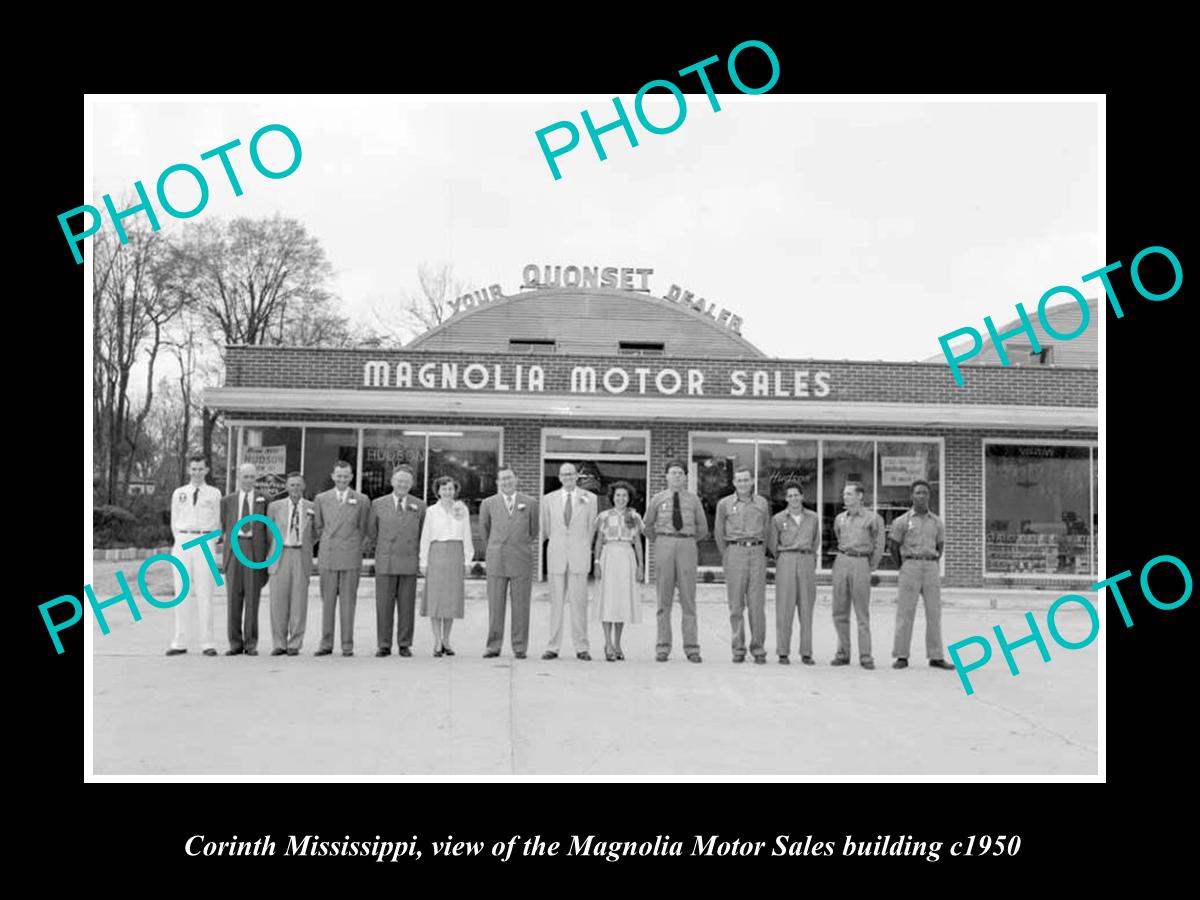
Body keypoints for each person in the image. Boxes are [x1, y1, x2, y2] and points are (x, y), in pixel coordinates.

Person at [643, 459, 708, 663]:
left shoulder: (693, 500)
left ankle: (692, 648)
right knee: (664, 600)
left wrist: (687, 541)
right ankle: (663, 647)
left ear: (685, 476)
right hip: (664, 544)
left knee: (688, 599)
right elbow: (647, 526)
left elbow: (703, 528)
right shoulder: (657, 498)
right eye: (673, 472)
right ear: (666, 476)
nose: (677, 476)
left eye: (680, 473)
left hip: (687, 546)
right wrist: (662, 540)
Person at [890, 480, 955, 670]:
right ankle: (901, 655)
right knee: (905, 612)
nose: (921, 496)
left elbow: (940, 547)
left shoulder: (936, 522)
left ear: (929, 496)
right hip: (910, 565)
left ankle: (936, 656)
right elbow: (893, 546)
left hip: (930, 567)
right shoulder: (901, 521)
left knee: (934, 613)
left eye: (925, 493)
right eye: (918, 492)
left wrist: (931, 562)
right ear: (911, 495)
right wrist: (904, 566)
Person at [479, 466, 538, 659]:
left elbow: (533, 530)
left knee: (521, 606)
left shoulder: (530, 503)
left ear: (516, 479)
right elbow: (484, 531)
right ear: (497, 482)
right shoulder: (488, 503)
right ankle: (493, 646)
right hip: (497, 559)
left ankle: (520, 647)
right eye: (502, 479)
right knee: (495, 606)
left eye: (510, 478)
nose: (506, 482)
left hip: (521, 559)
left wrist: (517, 544)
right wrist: (497, 548)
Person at [540, 462, 598, 661]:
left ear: (577, 476)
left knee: (579, 604)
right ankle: (553, 647)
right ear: (559, 477)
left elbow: (592, 528)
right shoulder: (548, 499)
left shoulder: (590, 498)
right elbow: (546, 529)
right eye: (564, 474)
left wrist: (583, 548)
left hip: (578, 556)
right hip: (557, 555)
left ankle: (582, 647)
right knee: (555, 603)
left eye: (571, 474)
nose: (568, 477)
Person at [312, 460, 370, 657]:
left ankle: (347, 645)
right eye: (339, 475)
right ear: (333, 476)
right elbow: (318, 527)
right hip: (328, 555)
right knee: (327, 602)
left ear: (352, 477)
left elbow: (364, 529)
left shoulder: (362, 500)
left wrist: (351, 545)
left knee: (348, 602)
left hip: (350, 555)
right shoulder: (321, 499)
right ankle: (326, 643)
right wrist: (330, 542)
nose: (342, 479)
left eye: (346, 476)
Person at [166, 455, 222, 657]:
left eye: (201, 469)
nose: (197, 472)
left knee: (205, 592)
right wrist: (181, 538)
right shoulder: (179, 493)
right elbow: (174, 521)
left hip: (204, 540)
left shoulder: (214, 493)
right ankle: (179, 641)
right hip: (183, 540)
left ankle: (207, 642)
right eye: (194, 469)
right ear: (189, 470)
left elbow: (217, 522)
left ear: (206, 470)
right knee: (181, 593)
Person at [714, 466, 771, 664]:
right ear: (734, 483)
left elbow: (767, 530)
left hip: (756, 552)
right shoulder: (725, 504)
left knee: (756, 605)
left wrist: (760, 552)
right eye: (739, 480)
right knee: (736, 605)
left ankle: (758, 649)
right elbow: (718, 532)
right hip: (734, 552)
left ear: (752, 481)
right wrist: (728, 554)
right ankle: (738, 649)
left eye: (746, 480)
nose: (743, 483)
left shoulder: (762, 503)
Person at [368, 466, 426, 658]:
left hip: (409, 560)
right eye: (399, 481)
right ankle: (383, 644)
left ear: (411, 484)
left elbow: (422, 533)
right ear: (392, 482)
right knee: (383, 605)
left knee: (407, 605)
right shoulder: (377, 504)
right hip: (386, 560)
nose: (402, 485)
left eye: (407, 482)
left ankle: (404, 644)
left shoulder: (420, 505)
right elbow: (372, 532)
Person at [419, 475, 475, 656]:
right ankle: (436, 641)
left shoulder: (461, 509)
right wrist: (423, 561)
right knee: (435, 600)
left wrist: (468, 559)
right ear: (438, 491)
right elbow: (426, 536)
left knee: (451, 601)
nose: (447, 492)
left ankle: (446, 640)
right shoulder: (431, 511)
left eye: (450, 489)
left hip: (455, 555)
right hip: (436, 555)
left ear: (455, 490)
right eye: (444, 489)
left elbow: (467, 534)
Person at [831, 482, 885, 669]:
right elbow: (838, 537)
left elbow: (879, 545)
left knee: (861, 612)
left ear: (860, 496)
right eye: (844, 494)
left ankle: (865, 656)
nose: (845, 497)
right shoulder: (840, 518)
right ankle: (843, 653)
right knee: (839, 611)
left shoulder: (873, 519)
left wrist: (870, 566)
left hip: (861, 562)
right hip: (842, 561)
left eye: (849, 494)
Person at [220, 462, 271, 656]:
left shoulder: (264, 499)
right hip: (235, 549)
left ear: (256, 478)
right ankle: (234, 642)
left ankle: (251, 643)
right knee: (233, 598)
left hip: (254, 550)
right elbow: (225, 525)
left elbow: (268, 530)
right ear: (238, 478)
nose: (248, 480)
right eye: (245, 476)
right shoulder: (227, 501)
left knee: (252, 598)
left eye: (252, 477)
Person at [590, 481, 645, 661]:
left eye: (624, 496)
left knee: (621, 602)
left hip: (626, 557)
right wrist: (596, 563)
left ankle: (618, 643)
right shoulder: (603, 516)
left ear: (629, 498)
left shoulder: (634, 516)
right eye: (618, 495)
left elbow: (637, 542)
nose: (621, 499)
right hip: (608, 557)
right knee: (608, 600)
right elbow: (598, 540)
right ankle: (607, 644)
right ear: (612, 497)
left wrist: (640, 565)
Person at [768, 481, 820, 665]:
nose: (793, 498)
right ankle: (783, 652)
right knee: (784, 608)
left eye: (796, 495)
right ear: (785, 498)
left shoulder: (813, 517)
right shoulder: (778, 519)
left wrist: (808, 558)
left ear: (802, 496)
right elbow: (773, 545)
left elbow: (815, 542)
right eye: (790, 496)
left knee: (806, 609)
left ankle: (806, 652)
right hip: (786, 561)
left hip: (806, 560)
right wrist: (784, 558)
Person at [266, 473, 314, 655]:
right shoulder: (274, 507)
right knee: (278, 601)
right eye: (292, 485)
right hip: (280, 555)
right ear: (286, 487)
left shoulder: (311, 507)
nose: (295, 488)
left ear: (303, 487)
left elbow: (315, 532)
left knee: (299, 602)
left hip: (301, 554)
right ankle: (279, 643)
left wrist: (305, 543)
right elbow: (269, 531)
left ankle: (295, 643)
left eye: (298, 485)